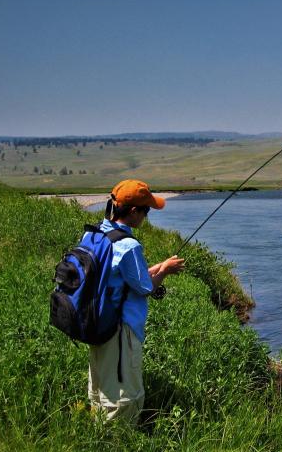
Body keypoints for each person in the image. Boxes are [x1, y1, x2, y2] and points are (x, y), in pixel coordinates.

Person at [88, 179, 184, 424]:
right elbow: (144, 288)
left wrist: (158, 266)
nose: (146, 216)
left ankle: (97, 433)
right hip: (121, 330)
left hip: (97, 322)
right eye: (146, 210)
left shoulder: (96, 233)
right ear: (133, 211)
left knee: (100, 387)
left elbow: (120, 275)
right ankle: (118, 440)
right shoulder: (128, 245)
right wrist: (166, 271)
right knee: (125, 395)